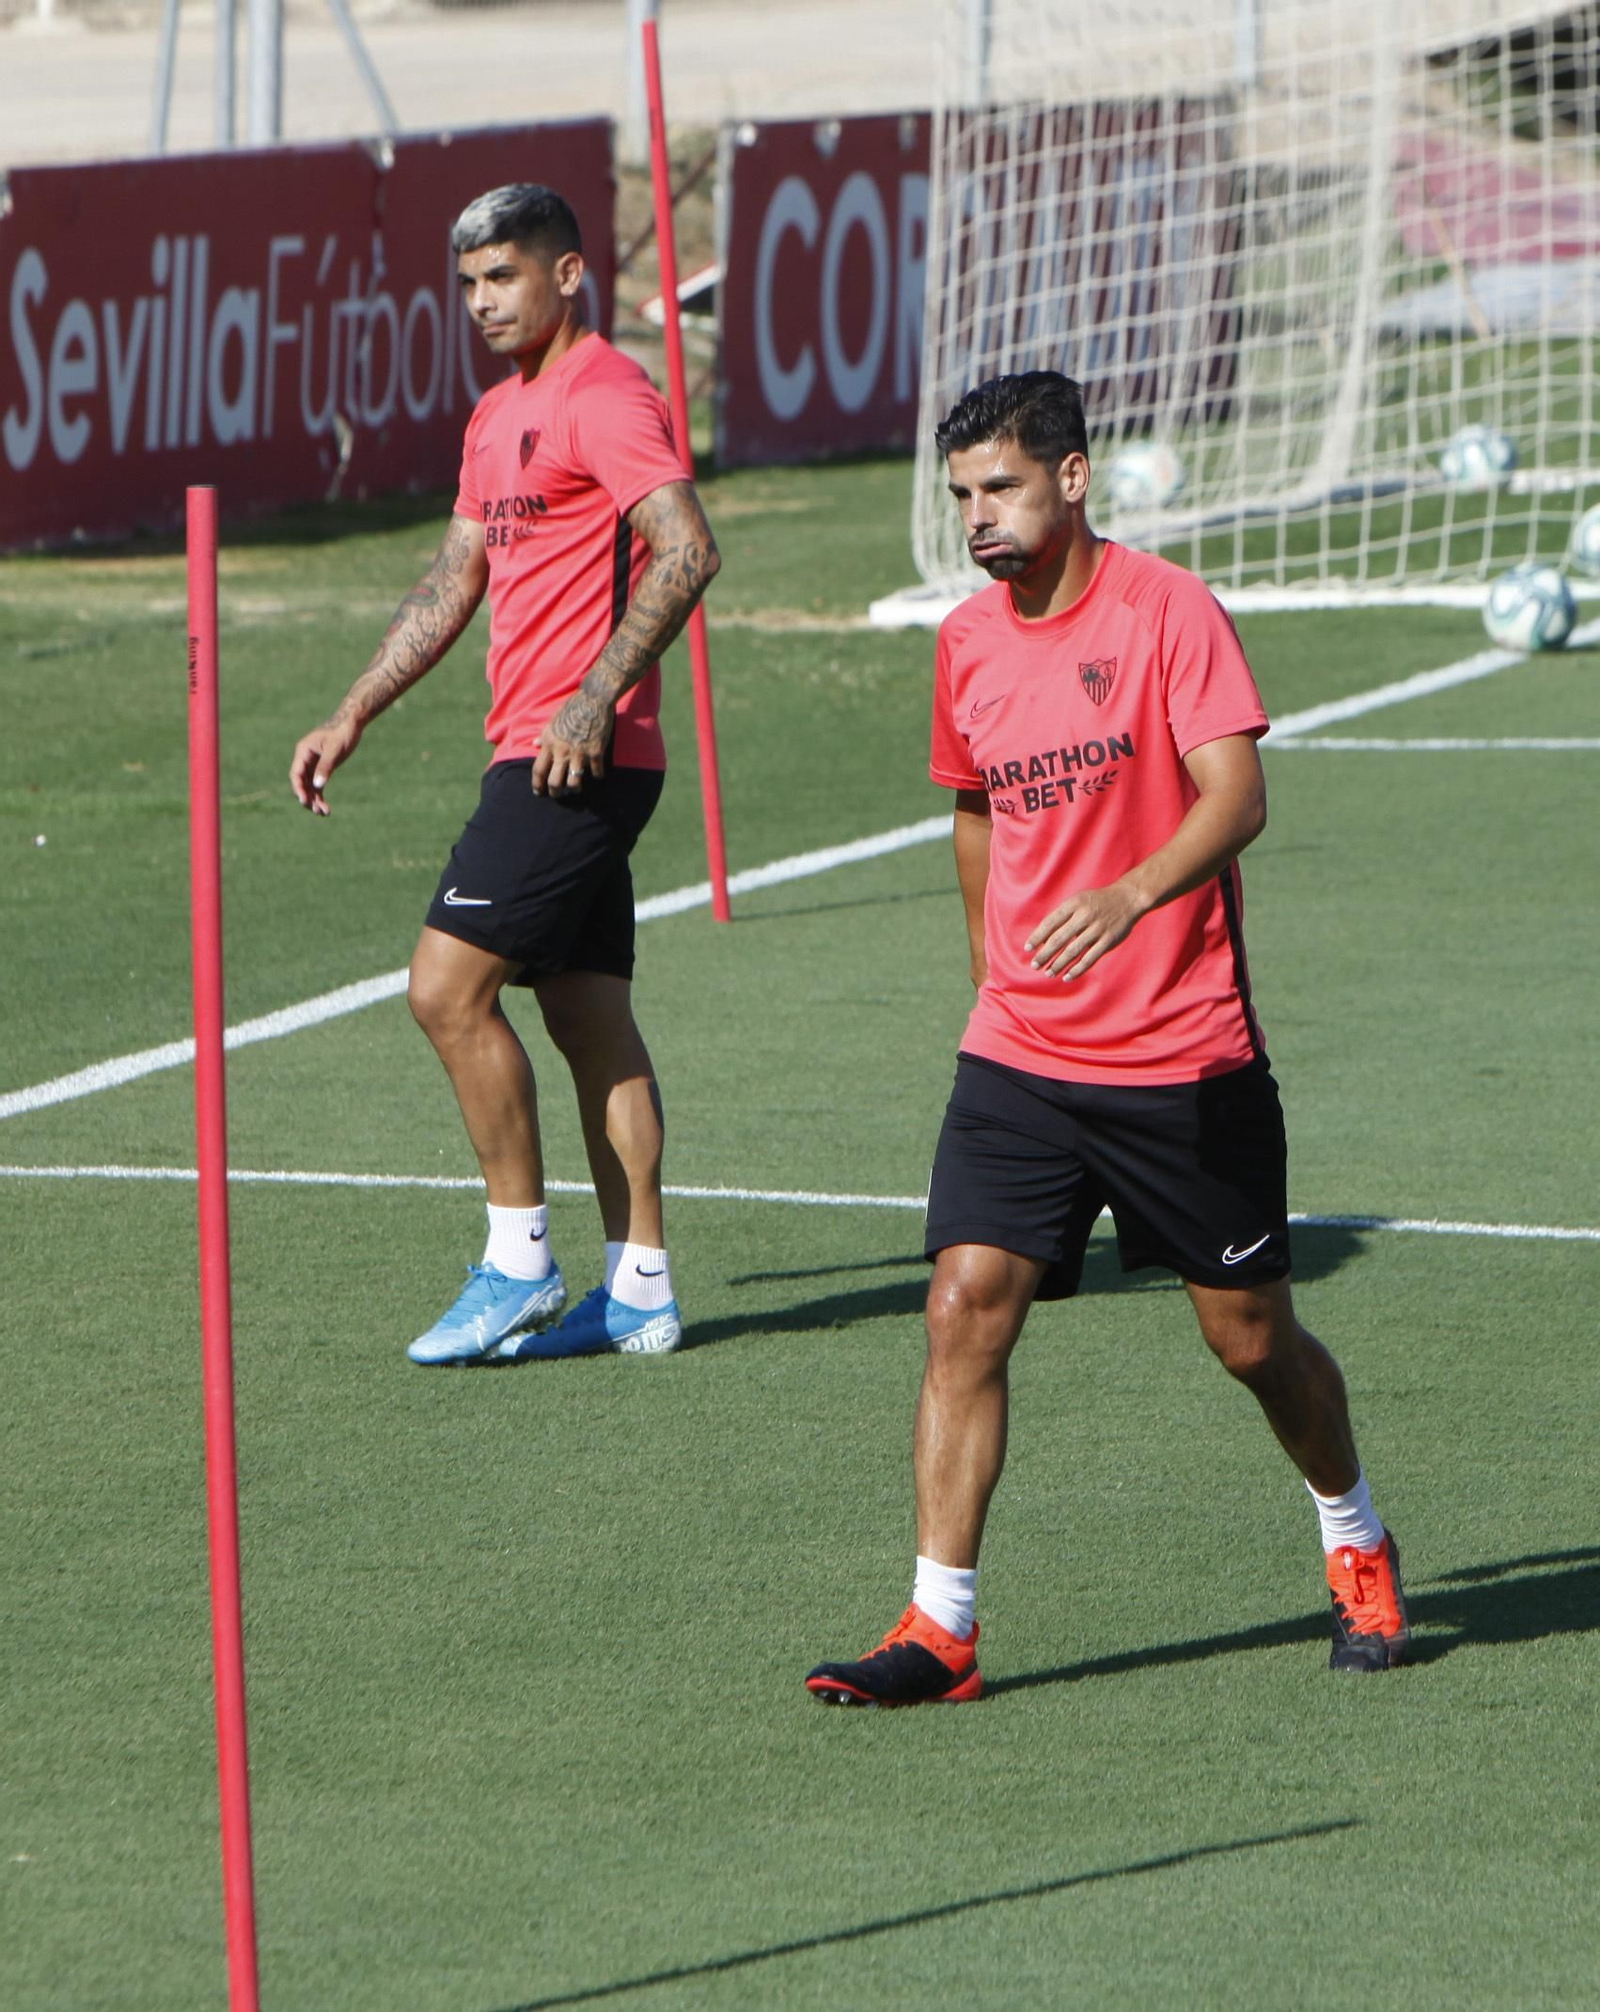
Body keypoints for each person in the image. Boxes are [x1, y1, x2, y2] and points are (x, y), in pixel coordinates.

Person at [805, 372, 1408, 1704]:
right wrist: (988, 969)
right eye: (960, 494)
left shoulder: (1166, 612)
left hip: (1181, 1055)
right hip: (1020, 1052)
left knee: (1251, 1341)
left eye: (1002, 488)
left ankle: (1356, 1535)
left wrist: (1133, 892)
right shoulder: (966, 641)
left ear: (1073, 480)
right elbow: (970, 806)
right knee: (964, 1308)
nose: (979, 517)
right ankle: (940, 1629)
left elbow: (1237, 793)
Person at [288, 183, 719, 1365]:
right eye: (470, 283)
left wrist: (592, 692)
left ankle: (518, 1259)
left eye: (505, 277)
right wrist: (354, 709)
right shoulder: (497, 417)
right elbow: (450, 583)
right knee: (587, 1013)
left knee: (443, 989)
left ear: (568, 276)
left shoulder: (608, 396)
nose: (483, 302)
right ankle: (641, 1286)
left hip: (572, 755)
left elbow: (688, 548)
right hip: (538, 744)